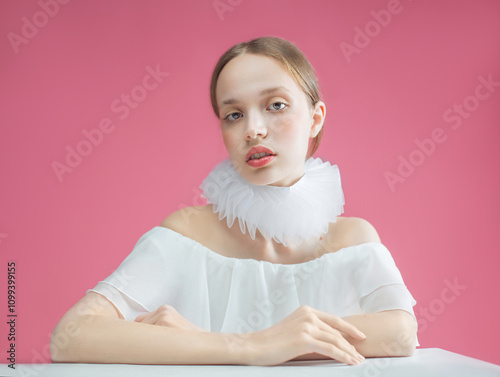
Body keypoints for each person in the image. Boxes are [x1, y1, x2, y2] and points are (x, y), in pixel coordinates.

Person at [50, 36, 418, 366]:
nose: (252, 129)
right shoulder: (188, 233)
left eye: (275, 105)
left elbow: (401, 333)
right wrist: (251, 346)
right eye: (234, 115)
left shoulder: (351, 240)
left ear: (316, 118)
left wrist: (215, 342)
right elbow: (71, 336)